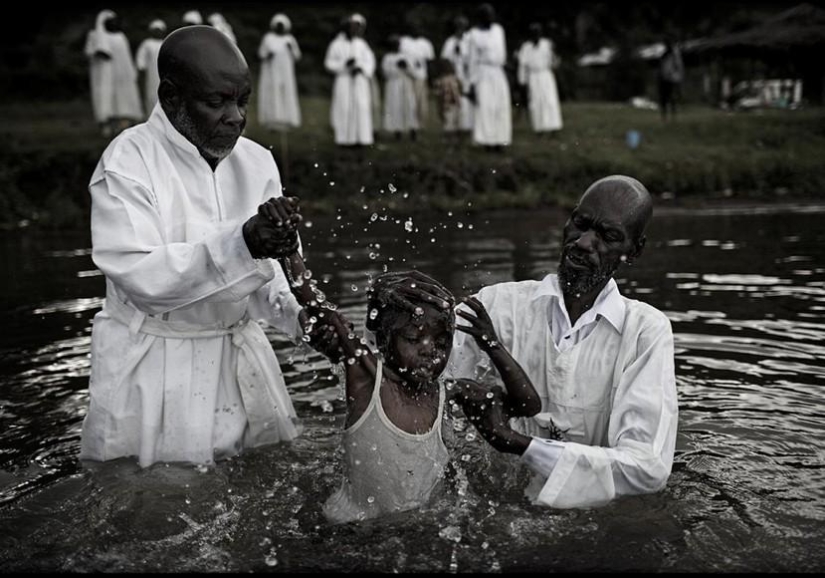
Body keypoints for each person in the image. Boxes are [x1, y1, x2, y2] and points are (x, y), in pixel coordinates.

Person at [79, 25, 307, 469]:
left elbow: (274, 279)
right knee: (158, 501)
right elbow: (142, 278)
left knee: (257, 486)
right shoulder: (128, 162)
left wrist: (307, 318)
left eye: (242, 101)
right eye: (217, 102)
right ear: (171, 98)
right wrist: (242, 243)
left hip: (240, 357)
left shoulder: (257, 160)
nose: (236, 118)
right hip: (155, 367)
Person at [263, 200, 541, 523]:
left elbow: (527, 406)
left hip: (417, 531)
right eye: (412, 338)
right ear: (383, 340)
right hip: (352, 531)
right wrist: (286, 246)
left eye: (441, 342)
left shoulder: (448, 395)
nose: (429, 351)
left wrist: (492, 345)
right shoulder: (367, 377)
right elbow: (317, 303)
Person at [444, 175, 678, 509]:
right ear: (568, 221)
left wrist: (517, 443)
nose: (584, 243)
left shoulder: (644, 332)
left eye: (607, 236)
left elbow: (647, 468)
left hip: (592, 524)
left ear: (634, 250)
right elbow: (423, 383)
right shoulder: (495, 306)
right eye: (580, 224)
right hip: (498, 507)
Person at [84, 9, 144, 137]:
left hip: (121, 76)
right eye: (109, 22)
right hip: (103, 77)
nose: (113, 24)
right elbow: (89, 52)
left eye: (114, 21)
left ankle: (123, 125)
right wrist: (98, 52)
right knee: (106, 99)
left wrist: (131, 72)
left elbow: (126, 57)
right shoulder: (95, 35)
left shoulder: (120, 37)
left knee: (122, 100)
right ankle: (106, 126)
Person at [324, 13, 376, 147]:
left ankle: (361, 139)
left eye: (357, 27)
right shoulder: (336, 44)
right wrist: (344, 65)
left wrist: (361, 68)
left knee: (361, 106)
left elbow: (370, 62)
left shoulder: (362, 44)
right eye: (352, 26)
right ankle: (344, 139)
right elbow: (329, 63)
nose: (355, 30)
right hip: (344, 80)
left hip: (359, 81)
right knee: (344, 107)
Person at [465, 3, 512, 151]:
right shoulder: (473, 35)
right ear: (481, 18)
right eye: (488, 15)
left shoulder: (499, 30)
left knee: (500, 106)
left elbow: (502, 54)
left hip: (498, 72)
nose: (491, 18)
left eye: (492, 14)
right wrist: (471, 84)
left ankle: (500, 140)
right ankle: (487, 142)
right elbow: (472, 60)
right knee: (486, 106)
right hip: (483, 72)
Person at [257, 13, 302, 131]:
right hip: (272, 74)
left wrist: (291, 49)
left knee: (286, 93)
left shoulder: (290, 39)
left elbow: (297, 56)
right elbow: (261, 53)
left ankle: (287, 120)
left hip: (286, 74)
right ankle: (272, 120)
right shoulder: (268, 38)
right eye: (278, 25)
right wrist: (268, 55)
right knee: (273, 93)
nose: (280, 28)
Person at [517, 22, 563, 135]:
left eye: (537, 32)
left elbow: (554, 63)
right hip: (533, 77)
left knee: (550, 100)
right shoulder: (526, 47)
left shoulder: (547, 45)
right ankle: (539, 128)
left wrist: (554, 57)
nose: (536, 35)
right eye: (533, 33)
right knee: (536, 102)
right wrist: (522, 81)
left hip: (545, 75)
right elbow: (523, 66)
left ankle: (553, 127)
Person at [440, 15, 473, 137]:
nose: (461, 28)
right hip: (454, 74)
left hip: (467, 73)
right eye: (458, 26)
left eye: (463, 26)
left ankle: (467, 126)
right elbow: (445, 59)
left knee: (466, 100)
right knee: (453, 101)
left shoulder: (470, 40)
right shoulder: (449, 42)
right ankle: (452, 127)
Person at [381, 35, 418, 141]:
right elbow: (386, 73)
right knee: (395, 107)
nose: (396, 46)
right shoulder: (387, 57)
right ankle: (398, 131)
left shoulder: (406, 56)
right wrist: (396, 68)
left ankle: (413, 130)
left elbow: (414, 73)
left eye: (397, 43)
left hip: (406, 84)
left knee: (410, 106)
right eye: (393, 44)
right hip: (393, 85)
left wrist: (406, 67)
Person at [399, 23, 435, 130]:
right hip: (406, 75)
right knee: (408, 100)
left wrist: (431, 78)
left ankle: (420, 124)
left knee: (420, 101)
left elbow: (429, 61)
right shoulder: (404, 41)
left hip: (420, 76)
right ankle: (407, 123)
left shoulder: (425, 43)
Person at [135, 19, 167, 115]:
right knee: (151, 97)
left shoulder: (166, 43)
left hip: (165, 76)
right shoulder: (146, 44)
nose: (158, 32)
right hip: (151, 78)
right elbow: (141, 62)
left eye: (160, 30)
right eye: (155, 30)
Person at [432, 58, 464, 144]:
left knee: (450, 121)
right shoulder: (454, 79)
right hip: (452, 103)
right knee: (453, 121)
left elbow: (437, 93)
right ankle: (452, 138)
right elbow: (460, 89)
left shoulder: (441, 80)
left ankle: (451, 138)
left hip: (448, 103)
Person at [658, 38, 684, 121]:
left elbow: (679, 67)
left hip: (672, 79)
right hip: (664, 79)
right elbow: (661, 67)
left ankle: (673, 117)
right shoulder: (664, 54)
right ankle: (664, 117)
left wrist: (677, 77)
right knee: (664, 99)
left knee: (672, 98)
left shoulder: (675, 54)